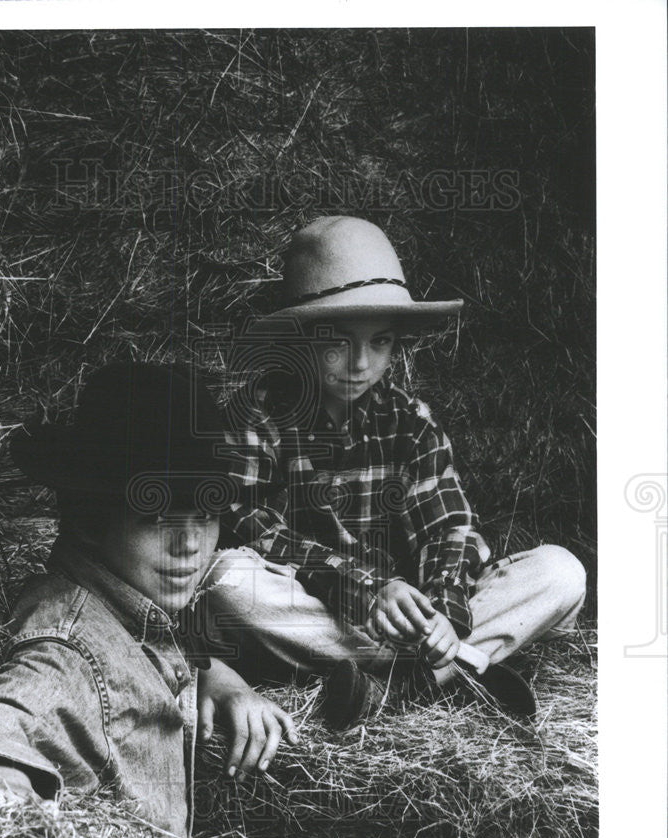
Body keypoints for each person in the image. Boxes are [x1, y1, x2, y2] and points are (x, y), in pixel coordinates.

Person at [203, 216, 586, 727]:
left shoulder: (410, 421)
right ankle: (450, 674)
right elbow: (247, 525)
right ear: (301, 336)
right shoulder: (257, 415)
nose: (360, 363)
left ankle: (400, 683)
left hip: (409, 617)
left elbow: (448, 529)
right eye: (338, 341)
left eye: (380, 342)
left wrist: (445, 615)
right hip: (326, 613)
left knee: (561, 572)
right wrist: (364, 588)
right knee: (228, 579)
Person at [0, 362, 297, 838]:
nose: (189, 546)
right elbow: (16, 710)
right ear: (91, 517)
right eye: (157, 517)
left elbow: (145, 652)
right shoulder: (68, 642)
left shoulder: (124, 601)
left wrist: (217, 677)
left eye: (204, 516)